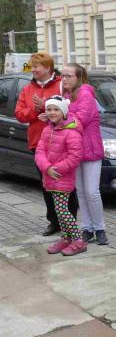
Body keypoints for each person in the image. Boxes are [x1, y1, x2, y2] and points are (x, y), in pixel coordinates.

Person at [15, 52, 78, 236]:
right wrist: (36, 110)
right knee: (46, 185)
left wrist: (46, 106)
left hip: (63, 142)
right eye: (32, 66)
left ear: (48, 68)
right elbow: (19, 114)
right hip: (39, 143)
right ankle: (54, 222)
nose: (32, 69)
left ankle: (70, 221)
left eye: (36, 66)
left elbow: (70, 109)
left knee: (66, 185)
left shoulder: (61, 84)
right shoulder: (28, 88)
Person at [62, 63, 107, 245]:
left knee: (92, 191)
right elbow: (62, 117)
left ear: (78, 78)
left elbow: (78, 121)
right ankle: (87, 228)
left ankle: (100, 228)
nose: (64, 79)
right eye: (62, 75)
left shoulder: (85, 94)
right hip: (74, 151)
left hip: (90, 149)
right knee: (80, 191)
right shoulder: (66, 96)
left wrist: (60, 120)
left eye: (68, 76)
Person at [35, 97, 85, 256]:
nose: (52, 112)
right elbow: (39, 151)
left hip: (62, 177)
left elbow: (75, 156)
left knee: (62, 210)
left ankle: (78, 240)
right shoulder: (46, 130)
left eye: (56, 109)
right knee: (58, 210)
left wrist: (56, 169)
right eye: (49, 109)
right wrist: (46, 167)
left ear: (64, 112)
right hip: (49, 175)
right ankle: (66, 238)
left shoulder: (71, 132)